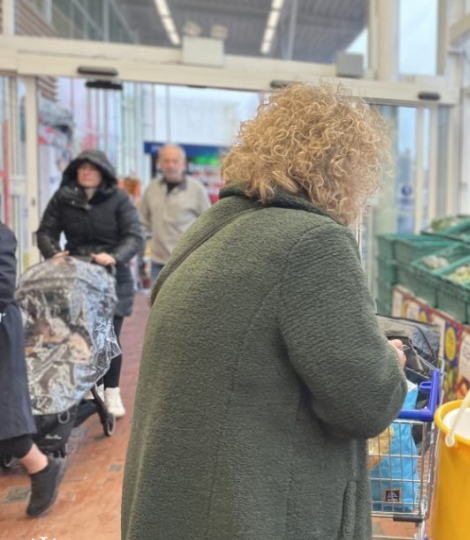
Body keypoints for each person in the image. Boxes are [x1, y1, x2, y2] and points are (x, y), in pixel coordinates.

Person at [122, 83, 409, 540]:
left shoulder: (213, 227)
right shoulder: (313, 243)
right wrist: (391, 362)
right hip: (254, 511)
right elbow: (365, 403)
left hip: (180, 502)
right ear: (346, 168)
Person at [36, 150, 143, 418]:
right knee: (81, 335)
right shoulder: (64, 198)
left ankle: (112, 391)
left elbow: (134, 236)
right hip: (77, 274)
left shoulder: (119, 199)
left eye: (92, 168)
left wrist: (115, 256)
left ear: (103, 172)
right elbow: (46, 232)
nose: (86, 172)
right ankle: (89, 386)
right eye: (81, 168)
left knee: (109, 336)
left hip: (112, 277)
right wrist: (53, 252)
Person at [0, 223, 67, 517]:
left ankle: (42, 468)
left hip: (1, 331)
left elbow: (3, 286)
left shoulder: (1, 235)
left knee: (5, 414)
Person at [139, 144, 211, 285]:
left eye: (175, 161)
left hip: (186, 262)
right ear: (159, 164)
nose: (170, 165)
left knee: (185, 305)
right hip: (158, 263)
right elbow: (142, 222)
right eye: (166, 161)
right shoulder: (151, 188)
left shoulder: (197, 190)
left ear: (183, 164)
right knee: (156, 305)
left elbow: (209, 224)